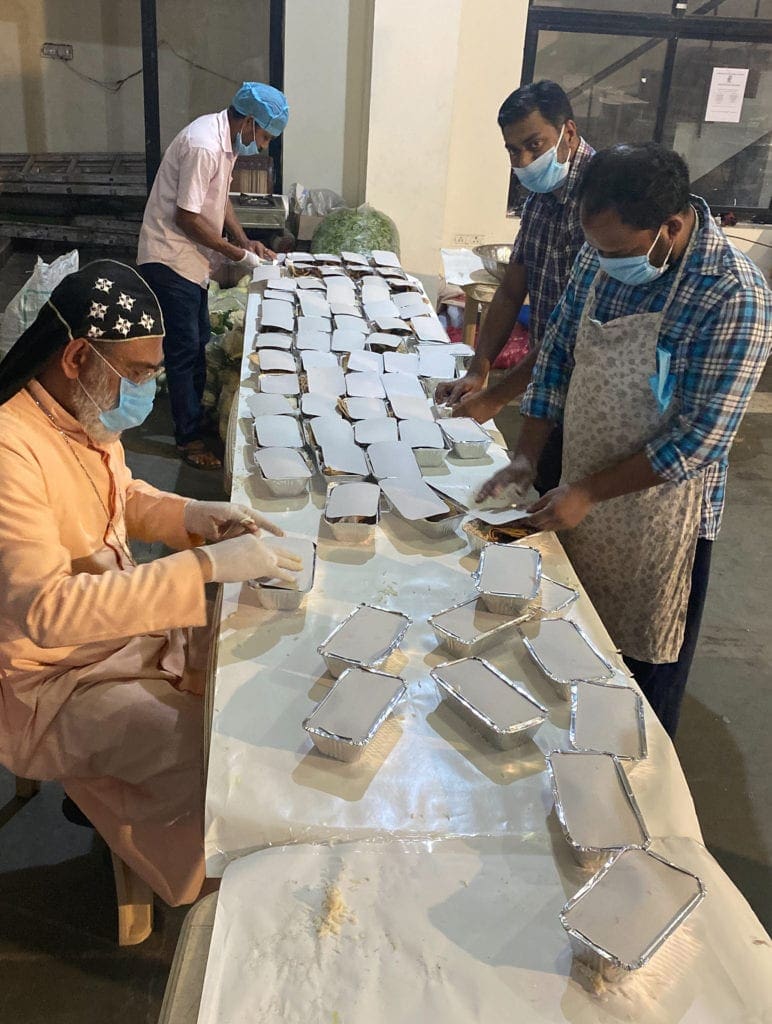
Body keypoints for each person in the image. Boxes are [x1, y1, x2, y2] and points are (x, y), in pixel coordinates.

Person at [0, 260, 301, 906]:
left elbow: (119, 497)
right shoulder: (8, 449)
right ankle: (210, 885)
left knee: (243, 675)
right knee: (214, 750)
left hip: (108, 634)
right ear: (78, 356)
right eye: (136, 374)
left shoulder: (75, 410)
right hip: (46, 679)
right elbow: (48, 614)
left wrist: (191, 519)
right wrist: (203, 567)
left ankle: (145, 810)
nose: (144, 390)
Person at [478, 144, 771, 738]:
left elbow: (700, 440)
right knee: (566, 636)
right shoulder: (601, 255)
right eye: (597, 247)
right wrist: (528, 455)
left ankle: (635, 787)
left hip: (657, 514)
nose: (604, 261)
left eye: (618, 250)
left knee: (636, 675)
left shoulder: (734, 297)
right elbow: (558, 354)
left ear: (671, 225)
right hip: (581, 479)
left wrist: (587, 491)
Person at [436, 80, 594, 491]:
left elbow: (571, 332)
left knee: (576, 494)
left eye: (534, 145)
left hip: (595, 390)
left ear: (568, 134)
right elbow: (511, 289)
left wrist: (494, 400)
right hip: (549, 382)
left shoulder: (603, 200)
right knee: (538, 485)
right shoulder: (540, 198)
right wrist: (479, 370)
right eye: (512, 150)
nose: (523, 160)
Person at [138, 82, 289, 470]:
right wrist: (235, 254)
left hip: (192, 259)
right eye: (265, 135)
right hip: (169, 256)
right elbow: (186, 217)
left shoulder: (227, 141)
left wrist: (247, 242)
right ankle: (188, 439)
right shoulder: (205, 143)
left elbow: (218, 200)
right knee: (184, 350)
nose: (264, 145)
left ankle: (197, 418)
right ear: (251, 121)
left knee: (200, 339)